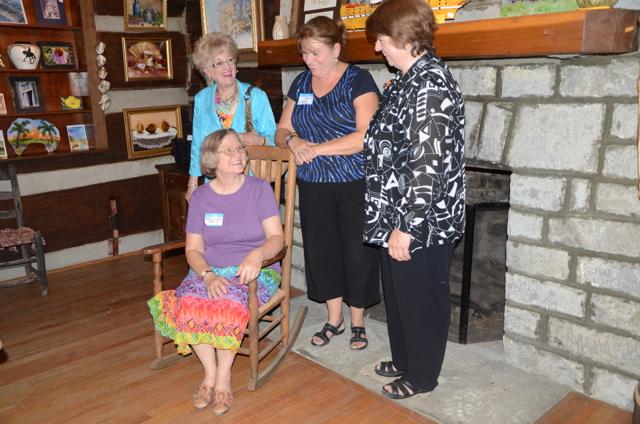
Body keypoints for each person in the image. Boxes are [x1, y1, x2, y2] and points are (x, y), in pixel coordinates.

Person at [363, 0, 465, 400]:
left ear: (403, 39)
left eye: (382, 40)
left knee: (422, 299)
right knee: (401, 294)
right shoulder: (407, 79)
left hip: (423, 219)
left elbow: (429, 165)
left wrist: (408, 225)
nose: (377, 49)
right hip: (396, 213)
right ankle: (406, 357)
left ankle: (422, 375)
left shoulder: (431, 84)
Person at [148, 129, 284, 415]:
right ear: (212, 160)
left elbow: (277, 239)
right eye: (230, 150)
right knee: (188, 304)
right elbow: (193, 250)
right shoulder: (200, 197)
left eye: (240, 149)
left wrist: (257, 255)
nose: (239, 154)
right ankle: (209, 374)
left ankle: (223, 382)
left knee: (226, 306)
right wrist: (207, 275)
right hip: (209, 270)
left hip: (255, 270)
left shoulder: (259, 189)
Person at [275, 16, 380, 350]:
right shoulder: (301, 84)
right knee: (323, 251)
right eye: (305, 52)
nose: (309, 60)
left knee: (357, 251)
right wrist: (293, 143)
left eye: (316, 53)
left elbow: (366, 137)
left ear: (336, 49)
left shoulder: (358, 80)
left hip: (354, 182)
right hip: (313, 182)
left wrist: (315, 148)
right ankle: (334, 319)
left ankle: (358, 321)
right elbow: (281, 129)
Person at [187, 32, 276, 201]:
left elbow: (274, 138)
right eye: (218, 63)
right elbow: (198, 145)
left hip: (249, 186)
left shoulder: (256, 96)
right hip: (213, 185)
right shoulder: (201, 99)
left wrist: (258, 140)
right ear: (207, 71)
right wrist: (192, 184)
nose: (227, 68)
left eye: (230, 60)